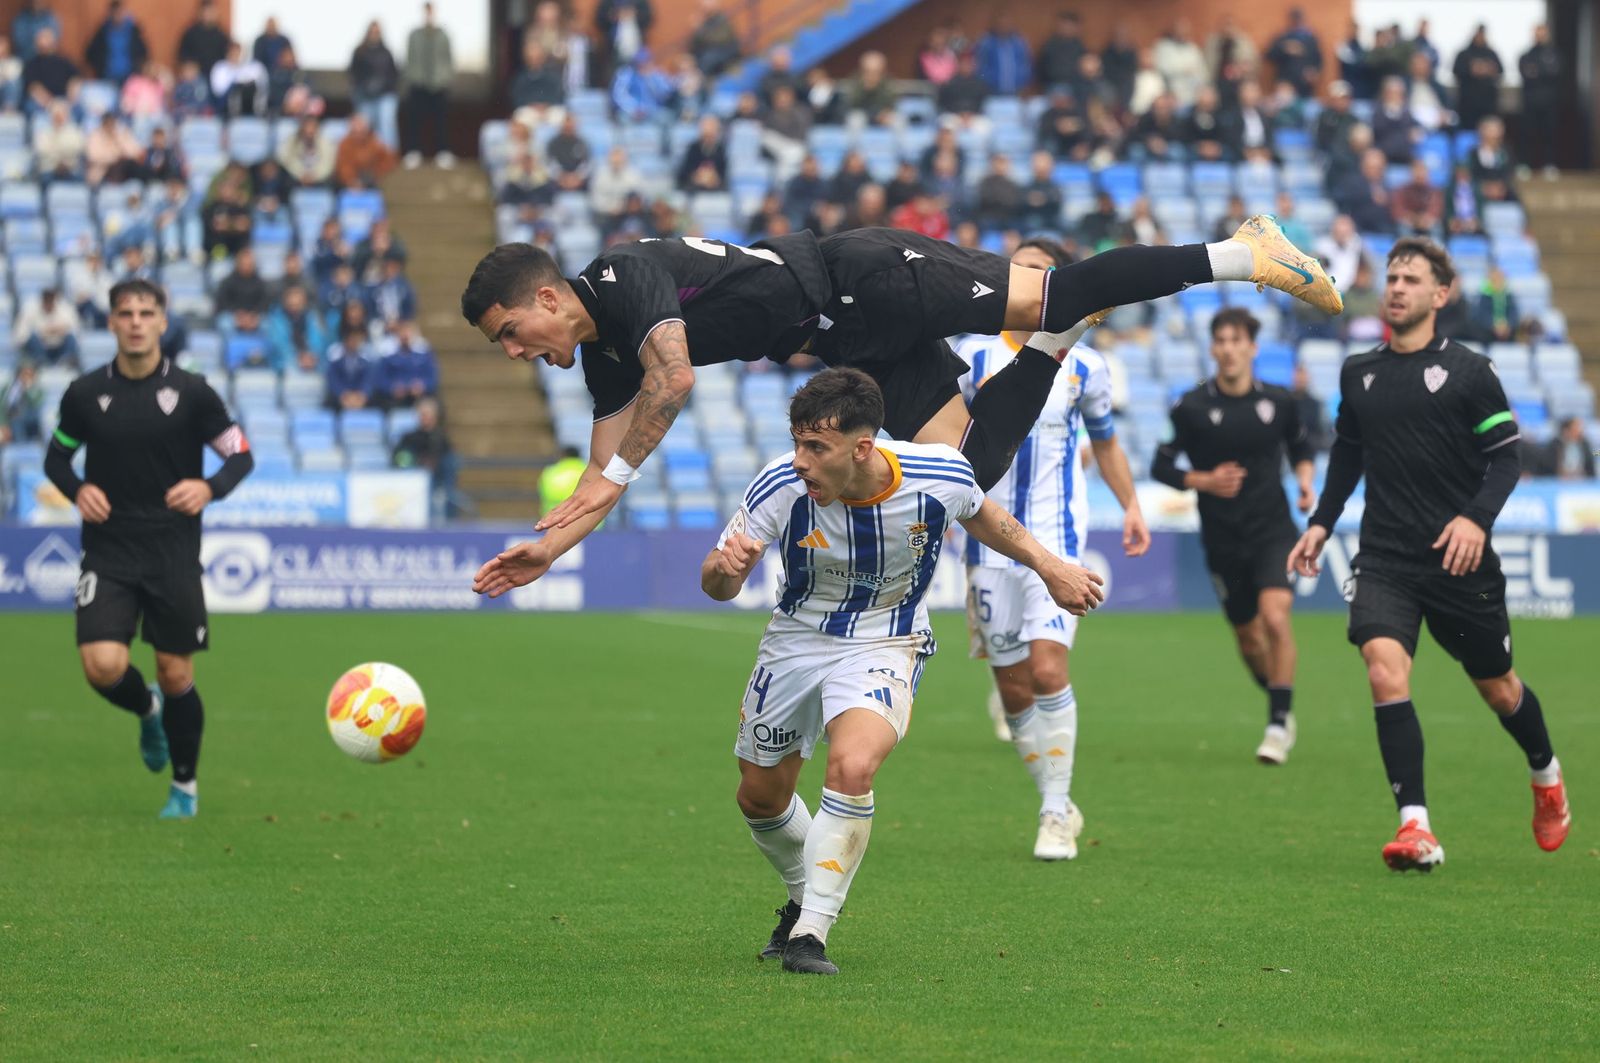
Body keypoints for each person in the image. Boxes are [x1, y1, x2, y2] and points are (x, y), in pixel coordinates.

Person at [462, 218, 1342, 594]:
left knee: (1057, 289)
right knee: (962, 472)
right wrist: (549, 542)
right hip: (843, 336)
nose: (514, 353)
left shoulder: (619, 276)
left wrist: (608, 480)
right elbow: (601, 474)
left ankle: (1241, 250)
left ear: (545, 298)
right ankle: (1055, 346)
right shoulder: (606, 359)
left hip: (861, 277)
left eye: (509, 331)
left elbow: (677, 380)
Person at [685, 367, 1104, 976]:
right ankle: (804, 893)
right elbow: (717, 585)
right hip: (795, 641)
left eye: (816, 447)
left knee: (853, 765)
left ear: (862, 448)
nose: (800, 459)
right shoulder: (779, 483)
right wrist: (727, 568)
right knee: (759, 794)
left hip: (889, 637)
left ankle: (810, 933)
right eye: (798, 441)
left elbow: (985, 515)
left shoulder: (937, 473)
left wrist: (1049, 565)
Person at [1288, 238, 1571, 871]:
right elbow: (1348, 452)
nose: (1397, 287)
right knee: (1384, 672)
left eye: (1412, 279)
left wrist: (1475, 519)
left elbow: (1506, 458)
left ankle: (1546, 772)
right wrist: (1321, 524)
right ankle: (1415, 826)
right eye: (1392, 276)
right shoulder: (1358, 371)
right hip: (1385, 557)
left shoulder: (1471, 372)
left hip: (1458, 562)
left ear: (1440, 295)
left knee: (1499, 691)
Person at [955, 239, 1150, 857]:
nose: (1027, 279)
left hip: (1059, 540)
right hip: (988, 545)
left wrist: (1132, 505)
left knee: (1046, 669)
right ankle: (1057, 797)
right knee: (1012, 690)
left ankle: (1050, 814)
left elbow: (1107, 441)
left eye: (1040, 271)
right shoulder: (970, 357)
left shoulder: (1086, 367)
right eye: (1020, 270)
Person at [42, 279, 255, 819]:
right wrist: (77, 489)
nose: (136, 321)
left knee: (176, 672)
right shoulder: (85, 394)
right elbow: (57, 460)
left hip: (171, 549)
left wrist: (210, 487)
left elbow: (239, 454)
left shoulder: (193, 392)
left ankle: (184, 786)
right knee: (101, 666)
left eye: (146, 312)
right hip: (109, 550)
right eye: (125, 313)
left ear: (162, 322)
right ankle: (147, 709)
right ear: (111, 323)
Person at [1153, 308, 1316, 764]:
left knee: (1276, 617)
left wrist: (1305, 483)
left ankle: (1278, 723)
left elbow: (1302, 449)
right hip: (1223, 539)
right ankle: (1278, 699)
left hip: (1273, 530)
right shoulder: (1191, 407)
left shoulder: (1280, 403)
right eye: (1220, 341)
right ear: (1212, 349)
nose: (1228, 349)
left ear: (1252, 348)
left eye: (1236, 340)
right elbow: (1161, 465)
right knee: (1248, 639)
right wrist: (1203, 481)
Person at [403, 2, 454, 169]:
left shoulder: (443, 34)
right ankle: (414, 152)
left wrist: (446, 78)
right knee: (415, 119)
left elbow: (448, 58)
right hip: (418, 83)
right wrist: (411, 78)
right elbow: (409, 58)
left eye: (431, 12)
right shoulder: (414, 35)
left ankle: (442, 152)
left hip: (438, 84)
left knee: (441, 120)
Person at [349, 20, 400, 149]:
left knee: (386, 121)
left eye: (377, 32)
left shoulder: (387, 52)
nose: (374, 34)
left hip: (385, 95)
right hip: (365, 97)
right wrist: (366, 87)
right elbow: (354, 75)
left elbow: (394, 75)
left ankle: (388, 154)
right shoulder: (359, 52)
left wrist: (382, 85)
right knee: (364, 125)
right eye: (372, 32)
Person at [1518, 25, 1560, 174]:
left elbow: (1555, 73)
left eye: (1543, 33)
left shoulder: (1553, 53)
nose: (1540, 36)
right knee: (1528, 133)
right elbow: (1526, 74)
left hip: (1549, 103)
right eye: (1537, 33)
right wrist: (1542, 71)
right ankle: (1525, 165)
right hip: (1530, 102)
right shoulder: (1526, 55)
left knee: (1549, 134)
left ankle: (1549, 164)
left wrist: (1537, 71)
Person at [14, 288, 81, 366]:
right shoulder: (30, 308)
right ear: (42, 300)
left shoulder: (65, 308)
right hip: (39, 348)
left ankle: (65, 364)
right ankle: (41, 363)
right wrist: (42, 332)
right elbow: (20, 335)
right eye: (47, 302)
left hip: (60, 347)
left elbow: (76, 329)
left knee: (71, 338)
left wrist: (60, 329)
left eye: (51, 302)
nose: (49, 305)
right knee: (32, 338)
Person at [85, 0, 148, 84]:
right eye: (115, 13)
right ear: (110, 14)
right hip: (107, 78)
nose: (118, 16)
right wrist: (99, 68)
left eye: (120, 12)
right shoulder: (102, 32)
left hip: (130, 78)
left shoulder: (134, 31)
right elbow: (89, 53)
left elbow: (144, 53)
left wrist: (137, 70)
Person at [335, 113, 398, 189]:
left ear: (367, 130)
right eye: (355, 132)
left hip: (375, 182)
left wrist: (377, 176)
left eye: (362, 132)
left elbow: (388, 162)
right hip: (352, 186)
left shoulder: (376, 142)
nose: (358, 135)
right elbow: (343, 167)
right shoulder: (344, 145)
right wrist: (351, 181)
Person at [539, 445, 586, 516]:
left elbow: (543, 491)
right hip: (587, 519)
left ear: (563, 456)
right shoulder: (587, 470)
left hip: (554, 518)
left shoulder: (550, 471)